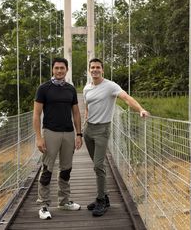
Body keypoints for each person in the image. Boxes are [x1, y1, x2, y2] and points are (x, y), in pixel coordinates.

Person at [83, 58, 149, 217]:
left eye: (98, 67)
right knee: (97, 165)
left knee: (98, 165)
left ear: (102, 70)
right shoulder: (87, 88)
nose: (95, 70)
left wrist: (140, 109)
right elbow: (87, 106)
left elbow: (126, 98)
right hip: (88, 130)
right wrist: (85, 120)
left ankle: (101, 200)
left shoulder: (110, 86)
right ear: (89, 70)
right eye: (92, 67)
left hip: (102, 130)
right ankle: (104, 197)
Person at [33, 57, 83, 220]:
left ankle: (64, 201)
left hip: (68, 133)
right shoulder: (43, 88)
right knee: (47, 169)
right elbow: (36, 114)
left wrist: (78, 134)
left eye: (62, 68)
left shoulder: (70, 89)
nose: (59, 71)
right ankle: (44, 205)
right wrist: (39, 137)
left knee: (66, 169)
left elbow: (76, 112)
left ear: (66, 70)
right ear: (52, 70)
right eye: (57, 68)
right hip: (50, 133)